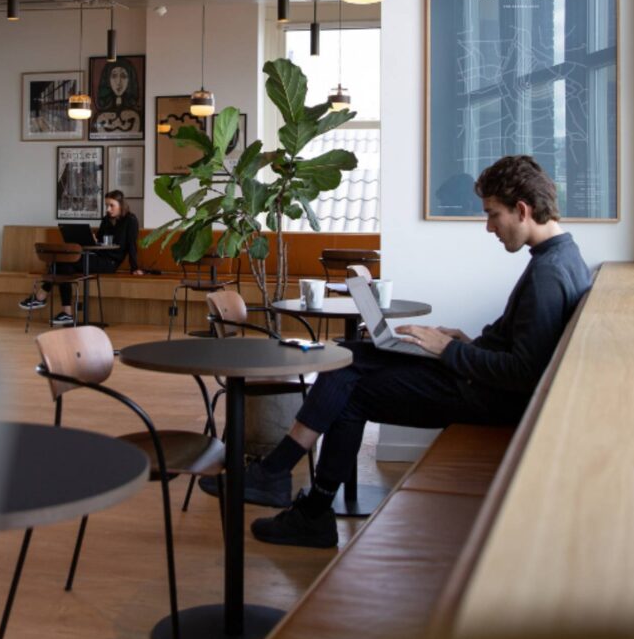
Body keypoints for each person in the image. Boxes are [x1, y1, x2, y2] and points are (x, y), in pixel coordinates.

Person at [203, 155, 592, 548]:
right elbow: (521, 348)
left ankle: (293, 491)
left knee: (350, 391)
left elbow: (524, 373)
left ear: (522, 210)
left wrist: (447, 350)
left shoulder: (547, 274)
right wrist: (467, 343)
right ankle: (289, 488)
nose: (489, 227)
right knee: (347, 354)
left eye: (493, 215)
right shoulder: (562, 257)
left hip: (484, 396)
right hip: (477, 379)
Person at [19, 189, 144, 326]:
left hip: (110, 263)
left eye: (111, 205)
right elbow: (99, 240)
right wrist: (93, 239)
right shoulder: (106, 220)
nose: (108, 209)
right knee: (63, 266)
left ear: (121, 204)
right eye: (106, 205)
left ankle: (42, 298)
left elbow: (132, 245)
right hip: (96, 256)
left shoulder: (131, 220)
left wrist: (135, 268)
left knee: (63, 264)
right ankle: (65, 313)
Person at [93, 58, 142, 136]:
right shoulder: (99, 117)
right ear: (107, 80)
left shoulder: (137, 116)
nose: (119, 82)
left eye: (123, 76)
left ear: (130, 80)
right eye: (114, 76)